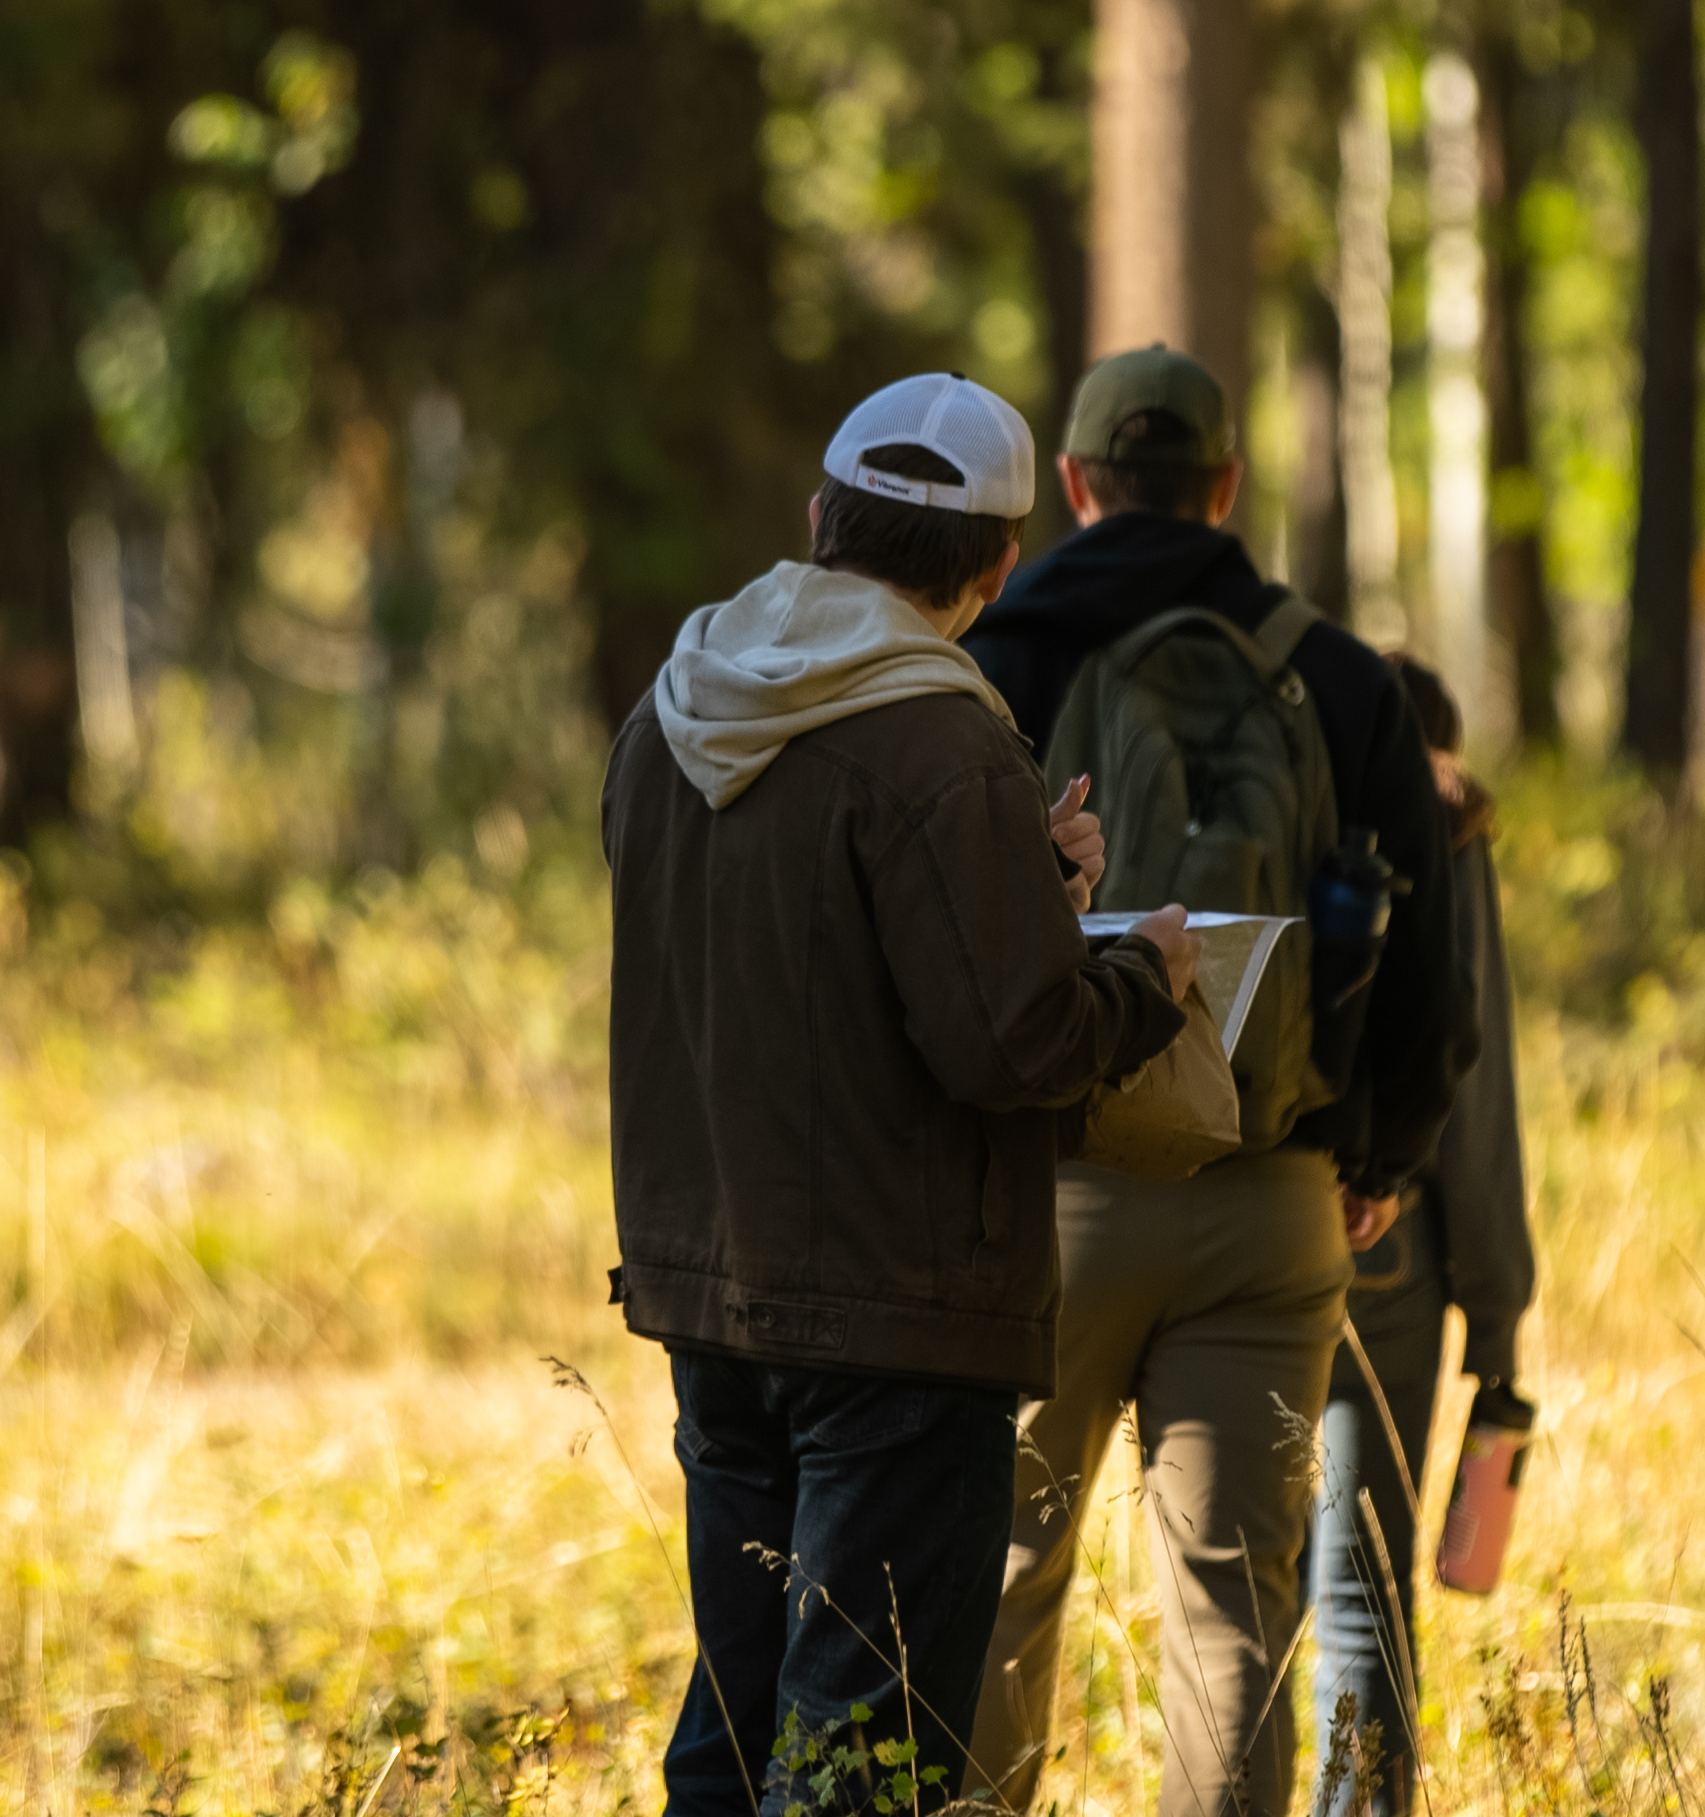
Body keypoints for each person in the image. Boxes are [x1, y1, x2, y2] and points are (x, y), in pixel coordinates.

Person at [605, 371, 1205, 1817]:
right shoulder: (939, 738)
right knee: (864, 1752)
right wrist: (1147, 976)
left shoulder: (670, 711)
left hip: (711, 1297)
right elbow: (1015, 1043)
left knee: (736, 1733)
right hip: (901, 1314)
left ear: (820, 517)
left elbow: (784, 962)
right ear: (997, 568)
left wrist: (1030, 883)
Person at [959, 347, 1470, 1817]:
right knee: (1238, 1617)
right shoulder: (1341, 676)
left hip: (1036, 1210)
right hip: (1271, 1198)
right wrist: (1379, 1155)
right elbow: (1436, 967)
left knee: (998, 1586)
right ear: (1227, 487)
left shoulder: (996, 661)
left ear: (1070, 486)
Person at [1301, 654, 1530, 1817]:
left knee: (1237, 1591)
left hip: (1241, 1219)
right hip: (1387, 1242)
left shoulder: (1284, 796)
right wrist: (1498, 1315)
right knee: (1361, 1596)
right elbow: (1472, 1090)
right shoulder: (1448, 825)